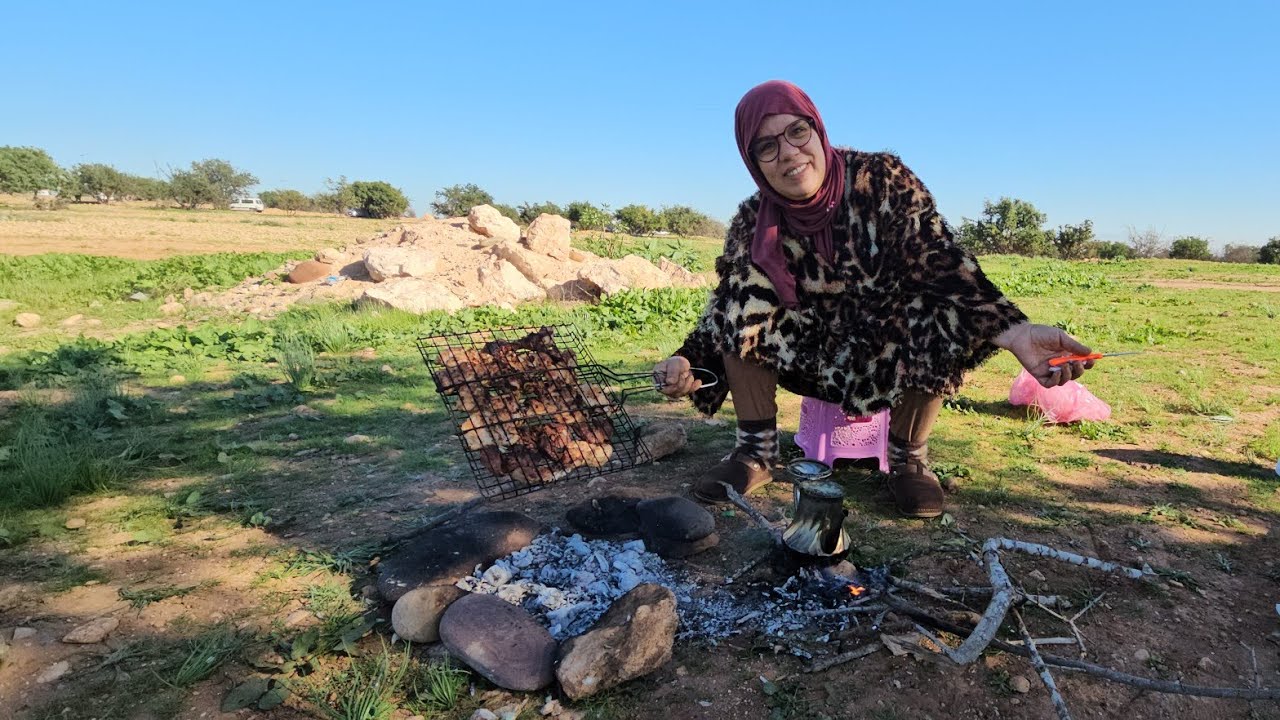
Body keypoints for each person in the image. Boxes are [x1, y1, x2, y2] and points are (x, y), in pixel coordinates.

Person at [654, 80, 1094, 518]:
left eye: (796, 132)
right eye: (766, 147)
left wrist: (1015, 331)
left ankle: (908, 457)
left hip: (879, 355)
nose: (788, 152)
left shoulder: (880, 180)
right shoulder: (754, 219)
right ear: (753, 163)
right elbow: (724, 309)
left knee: (934, 306)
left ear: (817, 129)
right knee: (741, 299)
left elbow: (938, 259)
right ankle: (755, 452)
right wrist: (688, 361)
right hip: (804, 358)